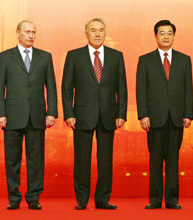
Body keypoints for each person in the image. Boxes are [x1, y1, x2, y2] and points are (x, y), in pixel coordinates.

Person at [62, 18, 127, 210]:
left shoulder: (116, 56)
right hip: (81, 115)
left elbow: (122, 88)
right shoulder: (74, 56)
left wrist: (121, 113)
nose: (97, 34)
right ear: (86, 33)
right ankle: (82, 199)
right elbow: (67, 88)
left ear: (105, 33)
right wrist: (69, 113)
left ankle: (103, 199)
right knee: (82, 160)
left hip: (108, 115)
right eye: (93, 30)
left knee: (106, 161)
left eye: (101, 30)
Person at [0, 20, 58, 210]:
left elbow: (51, 88)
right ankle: (14, 197)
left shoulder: (45, 57)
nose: (31, 35)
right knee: (12, 159)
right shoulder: (5, 57)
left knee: (35, 159)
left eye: (33, 32)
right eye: (27, 32)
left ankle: (33, 197)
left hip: (37, 115)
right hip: (12, 115)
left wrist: (52, 112)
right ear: (18, 33)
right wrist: (0, 113)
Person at [136, 20, 193, 209]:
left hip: (176, 117)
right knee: (155, 159)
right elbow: (141, 90)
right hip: (154, 117)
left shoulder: (184, 59)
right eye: (162, 33)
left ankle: (172, 199)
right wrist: (143, 115)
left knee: (173, 160)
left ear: (174, 36)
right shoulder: (145, 60)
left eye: (169, 33)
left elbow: (188, 89)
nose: (166, 36)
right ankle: (154, 199)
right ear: (155, 36)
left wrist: (188, 114)